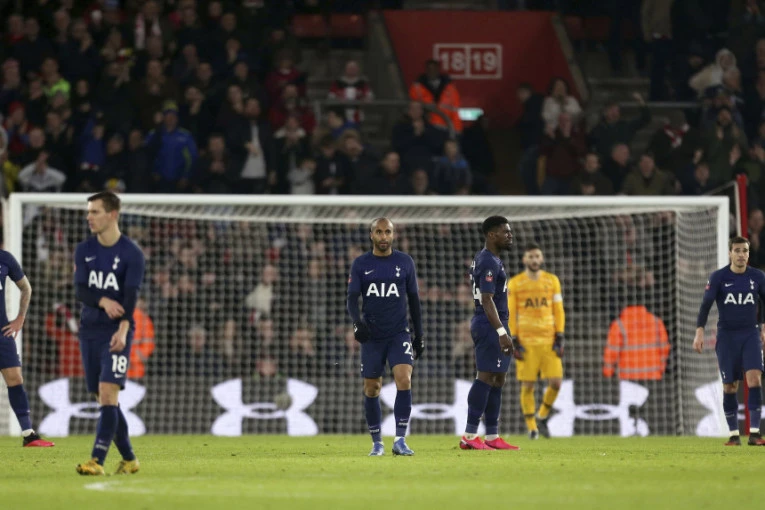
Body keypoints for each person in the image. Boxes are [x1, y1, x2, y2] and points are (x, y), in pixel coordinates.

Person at [74, 191, 146, 475]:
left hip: (116, 332)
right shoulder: (84, 250)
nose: (89, 217)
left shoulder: (132, 254)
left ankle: (97, 460)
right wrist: (103, 300)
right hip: (89, 330)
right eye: (88, 211)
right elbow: (81, 290)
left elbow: (130, 297)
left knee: (107, 393)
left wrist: (124, 330)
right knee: (104, 399)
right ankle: (129, 459)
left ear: (112, 214)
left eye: (95, 211)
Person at [347, 217, 423, 456]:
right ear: (371, 235)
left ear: (393, 234)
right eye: (379, 232)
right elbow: (351, 298)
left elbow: (414, 300)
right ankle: (377, 442)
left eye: (387, 232)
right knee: (372, 388)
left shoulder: (405, 261)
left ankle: (400, 440)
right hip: (372, 336)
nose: (383, 236)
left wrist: (419, 335)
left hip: (399, 333)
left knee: (404, 379)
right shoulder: (361, 264)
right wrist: (357, 324)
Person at [694, 236, 765, 446]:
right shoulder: (719, 277)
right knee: (730, 386)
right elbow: (706, 305)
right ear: (730, 253)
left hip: (750, 334)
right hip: (727, 336)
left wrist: (763, 325)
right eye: (737, 250)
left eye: (745, 251)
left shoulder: (758, 276)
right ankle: (734, 435)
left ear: (748, 253)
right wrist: (699, 331)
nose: (741, 255)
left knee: (755, 379)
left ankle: (754, 434)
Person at [460, 216, 520, 451]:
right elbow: (487, 299)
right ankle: (469, 435)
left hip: (495, 323)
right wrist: (501, 331)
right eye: (506, 232)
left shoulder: (491, 259)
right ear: (491, 235)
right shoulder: (488, 261)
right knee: (485, 377)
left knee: (498, 378)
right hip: (489, 324)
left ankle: (492, 435)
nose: (510, 236)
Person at [508, 243, 565, 440]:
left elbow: (558, 309)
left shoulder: (552, 280)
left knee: (556, 383)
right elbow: (511, 312)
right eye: (530, 257)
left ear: (542, 259)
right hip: (527, 341)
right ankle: (532, 428)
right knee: (528, 385)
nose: (534, 260)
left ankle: (542, 416)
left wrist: (560, 334)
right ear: (524, 259)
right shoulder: (515, 283)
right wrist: (513, 338)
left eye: (537, 256)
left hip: (549, 339)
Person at [0, 250, 54, 447]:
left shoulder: (5, 258)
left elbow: (26, 288)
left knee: (15, 378)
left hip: (2, 332)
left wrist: (20, 318)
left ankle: (29, 434)